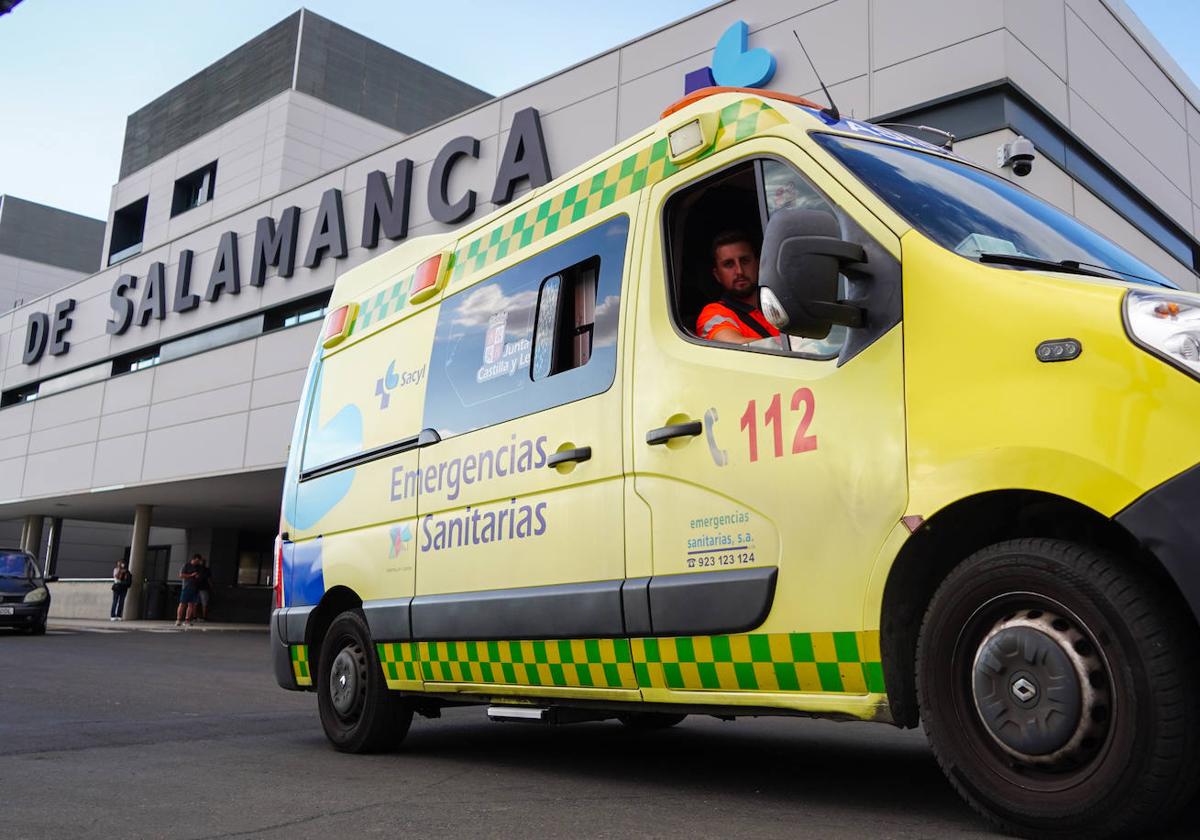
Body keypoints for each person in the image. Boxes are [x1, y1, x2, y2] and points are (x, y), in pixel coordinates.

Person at [695, 230, 781, 345]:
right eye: (729, 264)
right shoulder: (714, 313)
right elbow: (738, 345)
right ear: (717, 275)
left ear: (758, 264)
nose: (739, 271)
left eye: (745, 261)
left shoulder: (781, 302)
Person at [175, 554, 201, 627]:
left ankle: (187, 620)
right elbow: (181, 575)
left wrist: (197, 576)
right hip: (187, 587)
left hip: (195, 588)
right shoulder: (186, 565)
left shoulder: (198, 567)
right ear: (194, 559)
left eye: (199, 561)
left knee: (191, 604)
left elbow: (200, 576)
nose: (198, 562)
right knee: (182, 603)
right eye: (197, 561)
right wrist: (191, 575)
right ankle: (178, 619)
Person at [194, 555, 212, 623]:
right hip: (203, 588)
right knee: (204, 603)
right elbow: (209, 579)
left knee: (196, 603)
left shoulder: (197, 568)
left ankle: (195, 617)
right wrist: (211, 587)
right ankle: (203, 617)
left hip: (198, 587)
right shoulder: (206, 569)